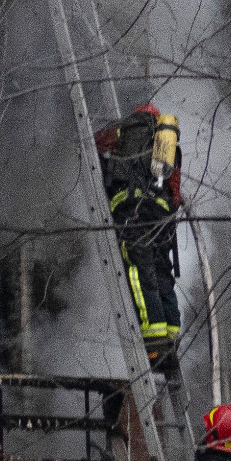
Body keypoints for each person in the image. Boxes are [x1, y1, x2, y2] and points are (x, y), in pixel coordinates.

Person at [94, 103, 183, 371]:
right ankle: (171, 338)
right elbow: (175, 192)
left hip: (132, 210)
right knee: (161, 273)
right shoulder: (168, 147)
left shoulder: (125, 129)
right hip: (162, 216)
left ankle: (154, 344)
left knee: (137, 269)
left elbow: (97, 143)